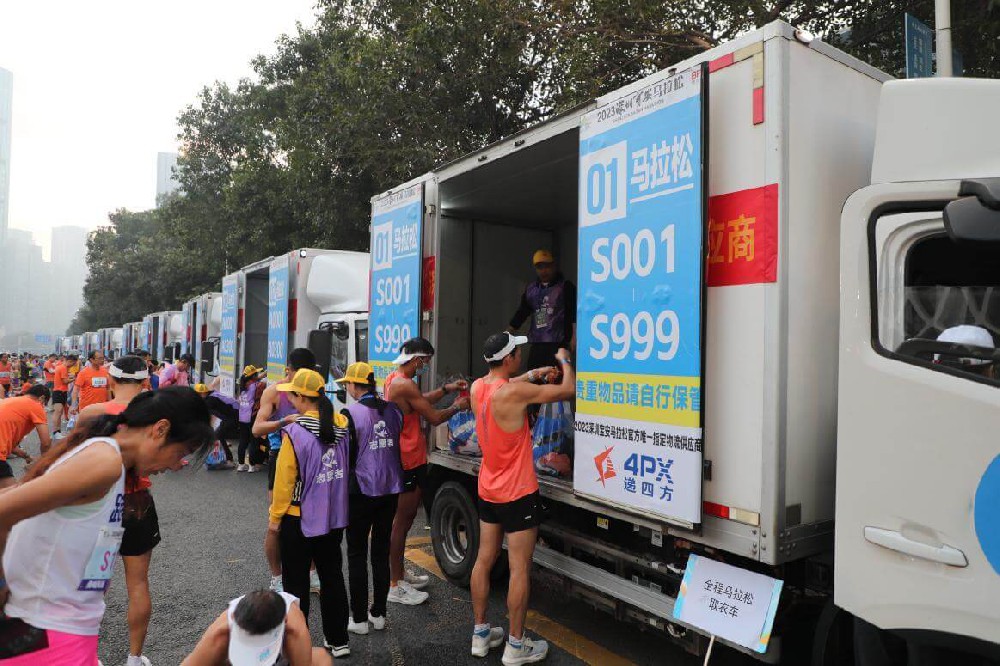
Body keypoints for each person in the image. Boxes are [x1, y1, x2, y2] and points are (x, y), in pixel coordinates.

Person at [0, 387, 212, 664]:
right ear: (160, 429)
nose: (177, 465)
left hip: (60, 632)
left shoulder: (110, 463)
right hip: (46, 633)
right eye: (182, 451)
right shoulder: (105, 461)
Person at [469, 332, 574, 664]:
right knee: (519, 569)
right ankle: (516, 645)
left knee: (484, 560)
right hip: (517, 493)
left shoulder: (478, 388)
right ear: (508, 358)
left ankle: (480, 634)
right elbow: (568, 389)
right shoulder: (515, 393)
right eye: (517, 351)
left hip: (488, 488)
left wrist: (534, 373)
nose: (519, 355)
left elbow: (506, 384)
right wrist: (564, 359)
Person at [79, 356, 158, 666]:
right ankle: (134, 659)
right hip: (137, 503)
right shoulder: (156, 417)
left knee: (93, 586)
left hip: (100, 504)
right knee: (137, 584)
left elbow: (76, 458)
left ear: (110, 380)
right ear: (145, 382)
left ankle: (88, 657)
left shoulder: (91, 414)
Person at [269, 369, 351, 657]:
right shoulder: (341, 425)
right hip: (333, 516)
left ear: (302, 397)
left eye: (292, 395)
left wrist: (275, 519)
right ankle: (339, 640)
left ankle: (297, 647)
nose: (290, 400)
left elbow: (284, 482)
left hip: (298, 517)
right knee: (332, 576)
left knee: (296, 585)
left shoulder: (295, 432)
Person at [384, 337, 469, 605]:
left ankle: (399, 574)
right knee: (402, 522)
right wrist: (457, 407)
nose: (426, 366)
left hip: (410, 456)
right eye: (426, 361)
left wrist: (446, 389)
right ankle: (394, 584)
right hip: (407, 459)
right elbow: (432, 416)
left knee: (405, 520)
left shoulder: (396, 379)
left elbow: (419, 402)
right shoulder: (404, 384)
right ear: (417, 359)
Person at [338, 362, 404, 635]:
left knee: (356, 553)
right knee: (380, 551)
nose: (346, 388)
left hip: (361, 490)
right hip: (390, 488)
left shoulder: (348, 414)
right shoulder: (394, 410)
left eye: (347, 384)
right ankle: (379, 613)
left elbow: (345, 455)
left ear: (355, 385)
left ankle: (358, 619)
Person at [253, 349, 316, 594]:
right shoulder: (274, 392)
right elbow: (257, 429)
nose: (300, 381)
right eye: (296, 376)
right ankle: (277, 577)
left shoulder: (313, 388)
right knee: (276, 523)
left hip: (309, 458)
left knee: (312, 518)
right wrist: (284, 422)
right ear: (287, 371)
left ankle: (311, 573)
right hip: (281, 457)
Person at [182, 589, 332, 666]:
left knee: (321, 658)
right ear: (233, 618)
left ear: (284, 623)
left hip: (281, 659)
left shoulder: (295, 633)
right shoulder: (219, 635)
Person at [507, 250, 577, 370]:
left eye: (547, 266)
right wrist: (509, 331)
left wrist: (574, 337)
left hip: (559, 342)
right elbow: (523, 311)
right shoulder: (531, 289)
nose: (544, 271)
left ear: (554, 266)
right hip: (538, 342)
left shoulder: (565, 286)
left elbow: (573, 313)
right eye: (540, 267)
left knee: (557, 375)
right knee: (534, 375)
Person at [0, 385, 52, 490]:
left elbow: (11, 446)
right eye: (45, 404)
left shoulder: (11, 401)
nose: (43, 407)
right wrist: (44, 464)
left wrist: (27, 457)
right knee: (12, 494)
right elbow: (46, 442)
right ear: (42, 398)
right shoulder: (35, 405)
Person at [194, 383, 239, 468]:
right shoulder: (213, 394)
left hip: (233, 417)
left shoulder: (210, 401)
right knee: (218, 435)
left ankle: (228, 460)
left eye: (198, 394)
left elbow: (209, 418)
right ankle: (227, 459)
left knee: (218, 435)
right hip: (233, 415)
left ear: (203, 393)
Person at [237, 365, 267, 472]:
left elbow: (257, 379)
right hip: (252, 417)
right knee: (253, 441)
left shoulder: (242, 386)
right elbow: (261, 382)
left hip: (242, 417)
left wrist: (262, 375)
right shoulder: (255, 386)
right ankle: (251, 465)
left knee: (243, 441)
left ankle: (241, 465)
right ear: (253, 376)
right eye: (256, 374)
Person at [71, 350, 111, 415]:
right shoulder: (83, 373)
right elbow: (75, 390)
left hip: (102, 408)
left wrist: (110, 402)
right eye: (100, 358)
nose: (102, 360)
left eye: (103, 358)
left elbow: (108, 388)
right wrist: (73, 405)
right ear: (91, 360)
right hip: (87, 408)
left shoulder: (105, 371)